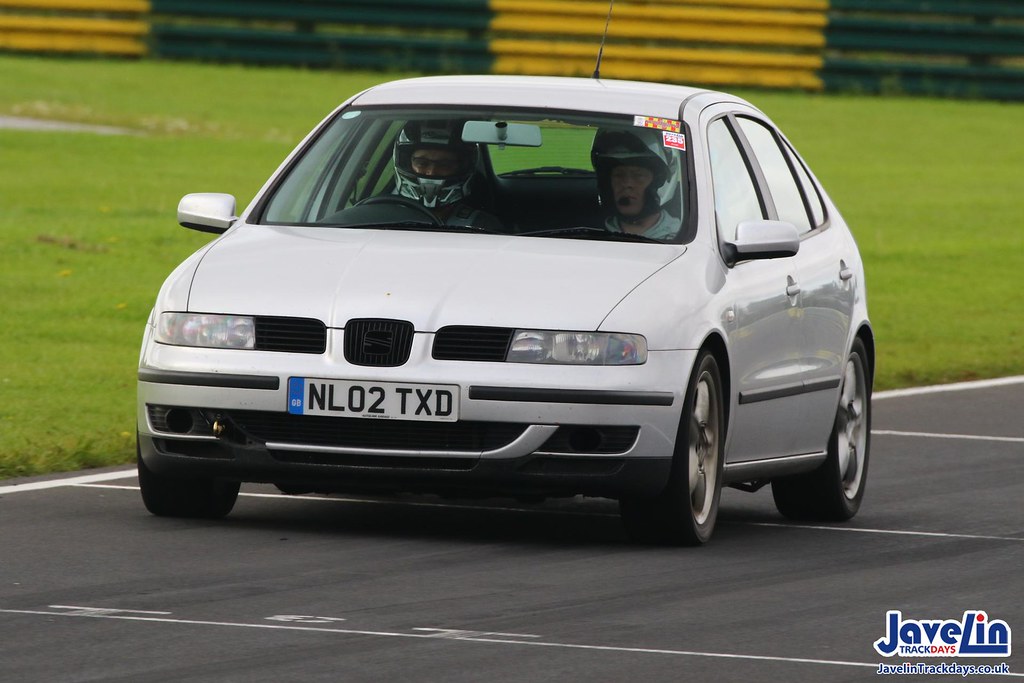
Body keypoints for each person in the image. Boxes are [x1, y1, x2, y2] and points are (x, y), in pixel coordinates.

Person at [393, 120, 503, 231]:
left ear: (461, 168)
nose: (431, 172)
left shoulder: (483, 225)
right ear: (407, 163)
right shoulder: (386, 216)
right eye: (422, 163)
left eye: (444, 164)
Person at [591, 129, 681, 240]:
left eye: (638, 176)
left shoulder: (681, 235)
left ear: (658, 182)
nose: (627, 184)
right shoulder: (591, 234)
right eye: (619, 175)